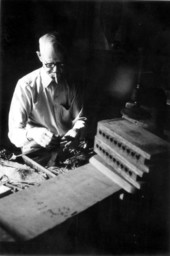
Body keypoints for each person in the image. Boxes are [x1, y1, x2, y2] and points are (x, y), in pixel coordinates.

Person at [8, 32, 86, 153]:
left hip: (67, 148)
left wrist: (76, 131)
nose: (56, 72)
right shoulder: (26, 86)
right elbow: (14, 133)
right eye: (49, 65)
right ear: (40, 56)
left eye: (61, 64)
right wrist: (33, 133)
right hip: (37, 150)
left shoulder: (72, 83)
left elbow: (80, 118)